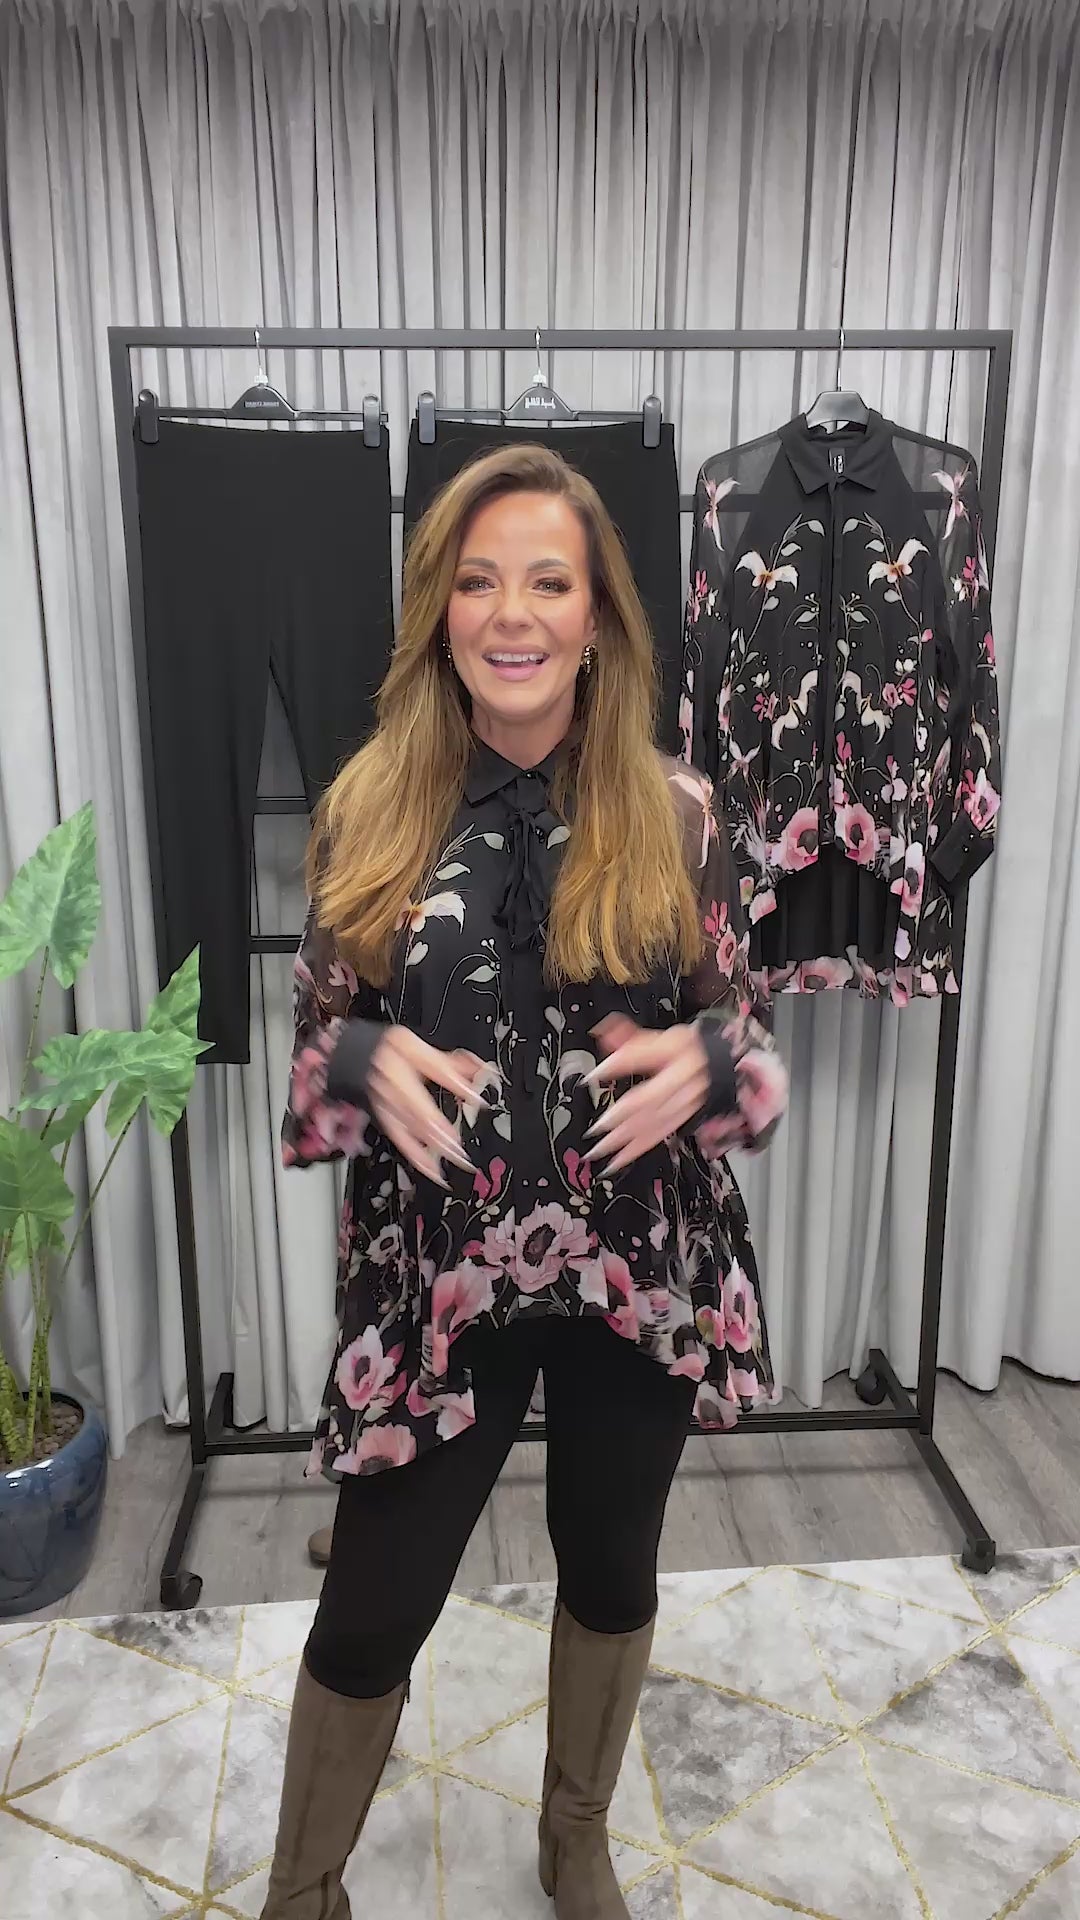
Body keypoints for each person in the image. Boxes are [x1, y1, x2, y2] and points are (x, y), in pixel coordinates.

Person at [261, 442, 788, 1920]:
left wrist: (718, 1062)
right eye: (479, 581)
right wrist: (359, 1061)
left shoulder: (678, 812)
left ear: (597, 617)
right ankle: (302, 1890)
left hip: (635, 1269)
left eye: (548, 582)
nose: (513, 613)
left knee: (611, 1565)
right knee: (373, 1611)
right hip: (443, 1284)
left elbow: (750, 1050)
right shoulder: (370, 808)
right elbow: (310, 1076)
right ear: (440, 612)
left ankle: (575, 1837)